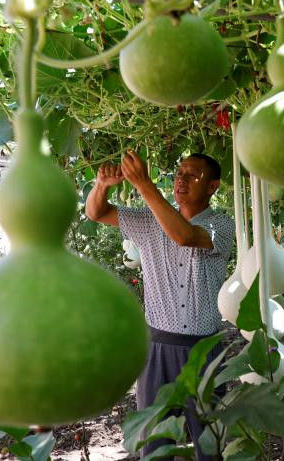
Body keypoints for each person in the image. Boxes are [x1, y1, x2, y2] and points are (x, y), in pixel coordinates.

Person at [85, 150, 234, 460]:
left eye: (193, 175)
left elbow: (184, 236)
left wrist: (144, 185)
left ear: (213, 186)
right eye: (179, 173)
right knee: (154, 444)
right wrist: (101, 185)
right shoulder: (149, 220)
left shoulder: (221, 225)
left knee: (211, 444)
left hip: (203, 351)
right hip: (157, 349)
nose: (182, 179)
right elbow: (97, 213)